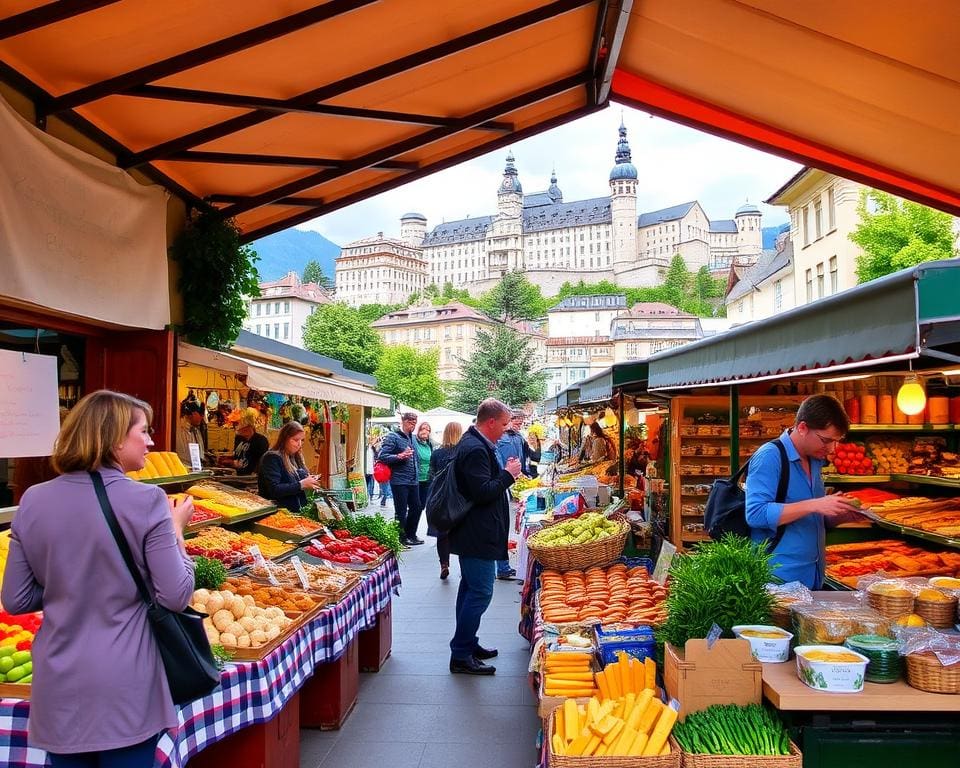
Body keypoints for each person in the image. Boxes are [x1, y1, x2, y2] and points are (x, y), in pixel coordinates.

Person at [1, 390, 195, 766]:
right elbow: (174, 594)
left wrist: (70, 581)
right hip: (126, 683)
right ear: (114, 437)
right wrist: (176, 533)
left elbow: (16, 599)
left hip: (58, 682)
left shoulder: (34, 501)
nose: (152, 441)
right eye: (144, 430)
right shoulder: (148, 500)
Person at [745, 394, 862, 589]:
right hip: (777, 580)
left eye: (836, 441)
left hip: (812, 577)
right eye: (826, 440)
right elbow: (755, 514)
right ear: (802, 428)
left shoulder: (815, 460)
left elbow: (810, 517)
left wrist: (840, 515)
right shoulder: (770, 456)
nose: (832, 448)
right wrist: (816, 504)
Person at [448, 398, 522, 675]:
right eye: (503, 425)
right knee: (480, 591)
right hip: (476, 532)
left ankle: (466, 644)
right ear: (490, 422)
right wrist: (508, 475)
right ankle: (461, 654)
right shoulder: (475, 448)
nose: (505, 430)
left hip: (475, 531)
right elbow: (482, 492)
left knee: (470, 588)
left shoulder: (475, 443)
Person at [258, 421, 322, 514]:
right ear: (285, 439)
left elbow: (299, 481)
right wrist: (302, 484)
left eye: (302, 440)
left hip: (297, 514)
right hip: (278, 515)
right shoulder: (272, 457)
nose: (299, 444)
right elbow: (274, 489)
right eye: (296, 440)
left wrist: (311, 479)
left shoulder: (296, 456)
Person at [378, 412, 422, 545]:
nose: (412, 425)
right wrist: (399, 456)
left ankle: (411, 534)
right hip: (399, 480)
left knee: (417, 507)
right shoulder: (393, 436)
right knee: (401, 511)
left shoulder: (413, 438)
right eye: (410, 422)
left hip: (413, 480)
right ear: (402, 421)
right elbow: (382, 456)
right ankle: (400, 539)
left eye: (414, 423)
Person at [493, 410, 526, 580]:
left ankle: (502, 566)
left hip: (509, 480)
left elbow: (521, 456)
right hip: (502, 483)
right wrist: (508, 474)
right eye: (515, 422)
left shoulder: (518, 437)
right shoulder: (497, 441)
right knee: (500, 528)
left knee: (502, 528)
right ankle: (501, 567)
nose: (517, 425)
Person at [427, 422, 462, 580]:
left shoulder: (437, 453)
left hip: (440, 497)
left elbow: (431, 475)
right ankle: (464, 567)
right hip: (459, 497)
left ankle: (444, 564)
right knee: (463, 531)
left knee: (443, 532)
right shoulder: (462, 451)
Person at [222, 408, 268, 475]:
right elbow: (238, 458)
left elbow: (258, 466)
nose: (234, 427)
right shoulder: (239, 438)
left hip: (247, 481)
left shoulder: (260, 441)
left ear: (247, 424)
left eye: (236, 423)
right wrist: (227, 460)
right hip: (234, 475)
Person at [410, 422, 433, 542]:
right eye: (423, 429)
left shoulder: (429, 444)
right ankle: (408, 533)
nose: (426, 431)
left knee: (421, 506)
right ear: (418, 430)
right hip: (415, 480)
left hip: (426, 480)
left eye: (428, 430)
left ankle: (412, 533)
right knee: (415, 507)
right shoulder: (414, 442)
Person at [175, 400, 208, 467]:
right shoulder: (179, 430)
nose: (202, 417)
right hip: (184, 467)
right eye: (200, 414)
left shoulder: (196, 430)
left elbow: (200, 452)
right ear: (193, 413)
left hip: (196, 467)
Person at [365, 436, 378, 500]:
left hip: (372, 469)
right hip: (366, 469)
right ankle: (367, 496)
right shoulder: (365, 448)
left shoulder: (373, 448)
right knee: (367, 483)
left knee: (372, 484)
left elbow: (376, 457)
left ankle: (371, 496)